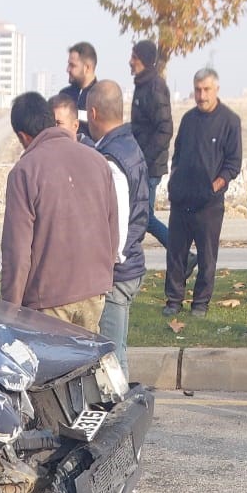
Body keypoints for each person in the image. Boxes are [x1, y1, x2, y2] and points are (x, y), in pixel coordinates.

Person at [0, 92, 118, 332]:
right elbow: (112, 231)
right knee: (85, 367)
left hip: (48, 301)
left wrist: (9, 312)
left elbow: (18, 253)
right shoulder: (98, 162)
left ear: (23, 136)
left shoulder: (24, 172)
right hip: (94, 292)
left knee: (49, 368)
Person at [163, 68, 242, 317]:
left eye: (206, 89)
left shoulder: (230, 121)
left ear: (216, 89)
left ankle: (200, 303)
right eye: (197, 89)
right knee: (176, 254)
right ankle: (174, 300)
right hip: (181, 199)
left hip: (209, 204)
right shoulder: (188, 119)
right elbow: (177, 154)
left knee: (207, 256)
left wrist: (214, 186)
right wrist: (174, 181)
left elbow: (233, 164)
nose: (201, 95)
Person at [87, 79, 148, 371]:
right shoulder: (128, 145)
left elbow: (120, 222)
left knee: (112, 357)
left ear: (93, 113)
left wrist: (109, 265)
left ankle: (121, 414)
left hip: (117, 272)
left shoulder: (111, 158)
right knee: (117, 349)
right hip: (127, 266)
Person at [129, 40, 173, 252]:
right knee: (140, 216)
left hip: (150, 166)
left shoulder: (155, 87)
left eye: (134, 58)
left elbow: (164, 129)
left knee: (143, 217)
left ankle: (180, 252)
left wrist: (145, 160)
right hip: (142, 163)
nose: (130, 62)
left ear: (144, 61)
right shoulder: (143, 85)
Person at [59, 41, 98, 138]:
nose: (67, 69)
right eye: (68, 64)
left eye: (72, 65)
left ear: (87, 68)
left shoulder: (100, 97)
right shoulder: (64, 95)